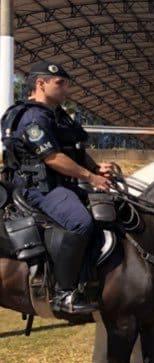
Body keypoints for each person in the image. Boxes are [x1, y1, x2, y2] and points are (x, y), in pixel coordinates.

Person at [1, 61, 112, 313]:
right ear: (41, 84)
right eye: (60, 84)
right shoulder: (32, 117)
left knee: (109, 210)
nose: (66, 90)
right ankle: (64, 293)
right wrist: (90, 178)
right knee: (79, 222)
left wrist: (96, 169)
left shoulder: (57, 115)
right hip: (39, 189)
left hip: (61, 184)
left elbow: (73, 150)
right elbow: (52, 157)